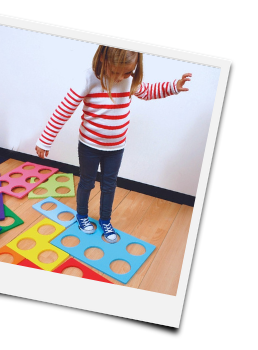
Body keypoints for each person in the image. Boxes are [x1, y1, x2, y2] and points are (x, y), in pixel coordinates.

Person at [35, 45, 191, 243]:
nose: (120, 78)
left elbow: (148, 91)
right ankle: (82, 216)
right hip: (89, 146)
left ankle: (105, 220)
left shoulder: (129, 79)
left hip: (115, 148)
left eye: (127, 72)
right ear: (102, 59)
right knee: (87, 182)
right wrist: (45, 140)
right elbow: (64, 109)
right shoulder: (89, 78)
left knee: (109, 185)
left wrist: (173, 86)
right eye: (115, 72)